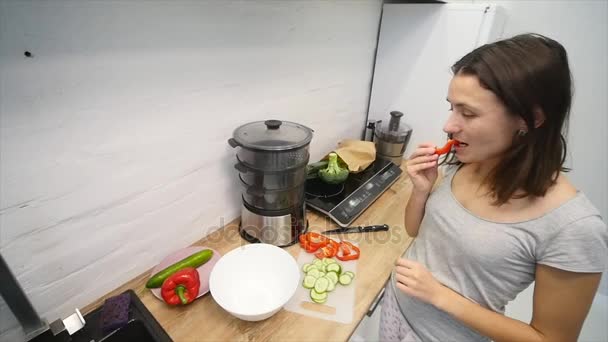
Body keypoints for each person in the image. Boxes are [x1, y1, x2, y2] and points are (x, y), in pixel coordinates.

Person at [379, 33, 608, 342]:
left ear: (532, 119)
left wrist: (440, 296)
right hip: (397, 311)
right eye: (452, 107)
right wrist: (421, 192)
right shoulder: (466, 161)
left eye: (468, 113)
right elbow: (416, 234)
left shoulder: (575, 228)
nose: (449, 125)